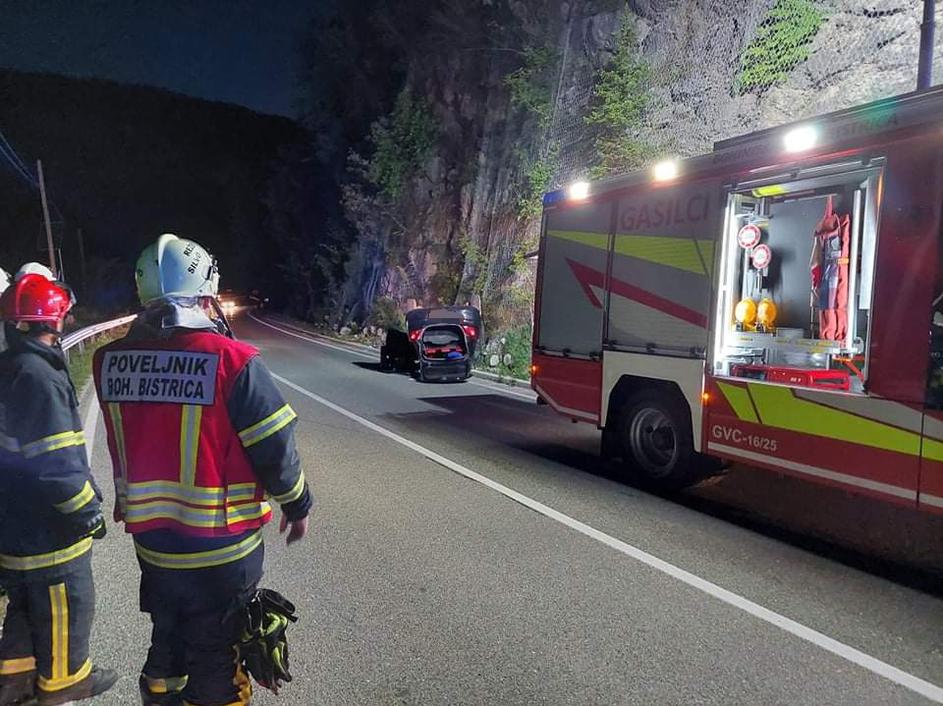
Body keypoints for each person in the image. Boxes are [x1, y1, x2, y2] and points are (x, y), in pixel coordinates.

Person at [93, 234, 311, 706]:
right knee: (216, 660)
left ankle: (160, 695)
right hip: (222, 550)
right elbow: (275, 449)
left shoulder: (108, 362)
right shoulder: (235, 362)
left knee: (168, 636)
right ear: (207, 292)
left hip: (153, 547)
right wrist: (298, 504)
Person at [0, 274, 116, 706]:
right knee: (68, 605)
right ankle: (67, 680)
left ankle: (14, 683)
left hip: (14, 529)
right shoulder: (39, 376)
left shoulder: (10, 365)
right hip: (48, 534)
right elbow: (56, 463)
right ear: (52, 321)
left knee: (24, 609)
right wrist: (88, 512)